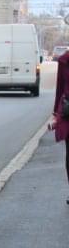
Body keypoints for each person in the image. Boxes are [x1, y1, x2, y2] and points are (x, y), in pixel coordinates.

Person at [50, 48, 69, 203]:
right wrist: (56, 113)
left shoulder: (64, 60)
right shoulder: (64, 60)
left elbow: (60, 88)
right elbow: (60, 88)